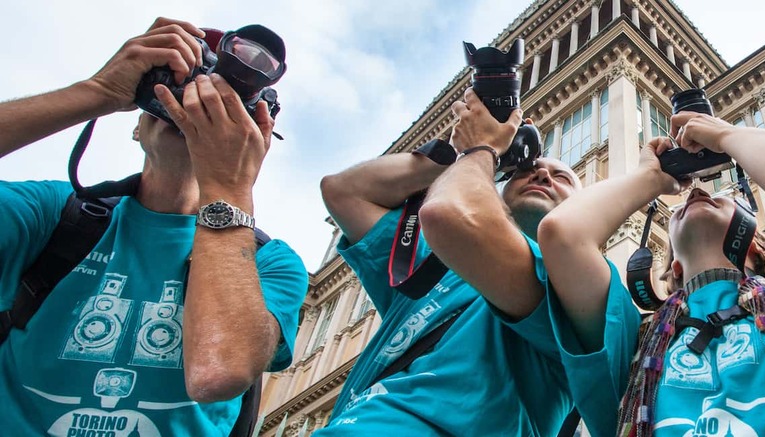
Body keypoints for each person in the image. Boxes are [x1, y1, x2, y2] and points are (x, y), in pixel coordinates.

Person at [0, 18, 308, 435]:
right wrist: (97, 92)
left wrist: (229, 186)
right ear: (137, 120)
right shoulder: (52, 214)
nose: (195, 104)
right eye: (183, 84)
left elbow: (220, 372)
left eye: (223, 104)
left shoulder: (269, 262)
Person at [538, 112, 765, 436]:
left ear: (757, 246)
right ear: (674, 266)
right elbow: (561, 235)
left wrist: (724, 135)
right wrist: (649, 178)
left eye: (720, 196)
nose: (698, 192)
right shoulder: (633, 343)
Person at [315, 89, 577, 435]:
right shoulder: (434, 265)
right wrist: (455, 153)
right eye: (528, 171)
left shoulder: (575, 288)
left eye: (562, 178)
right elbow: (344, 192)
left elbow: (450, 213)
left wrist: (482, 150)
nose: (543, 176)